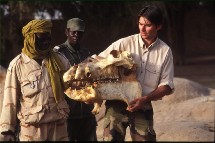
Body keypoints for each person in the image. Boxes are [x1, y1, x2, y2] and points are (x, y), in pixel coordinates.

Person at [96, 5, 174, 141]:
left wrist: (145, 99)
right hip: (116, 103)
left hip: (143, 103)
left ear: (159, 26)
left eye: (148, 25)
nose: (142, 29)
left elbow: (166, 85)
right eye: (140, 24)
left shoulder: (165, 52)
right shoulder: (124, 43)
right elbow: (97, 61)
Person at [0, 19, 71, 141]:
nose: (47, 41)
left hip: (58, 128)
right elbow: (10, 100)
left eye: (48, 36)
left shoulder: (59, 61)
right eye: (42, 37)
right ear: (31, 38)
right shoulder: (18, 65)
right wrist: (7, 130)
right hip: (32, 131)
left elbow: (73, 87)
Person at [53, 18, 97, 141]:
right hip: (69, 113)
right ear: (67, 32)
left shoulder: (85, 52)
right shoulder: (58, 53)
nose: (77, 35)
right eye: (74, 32)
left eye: (80, 32)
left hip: (87, 112)